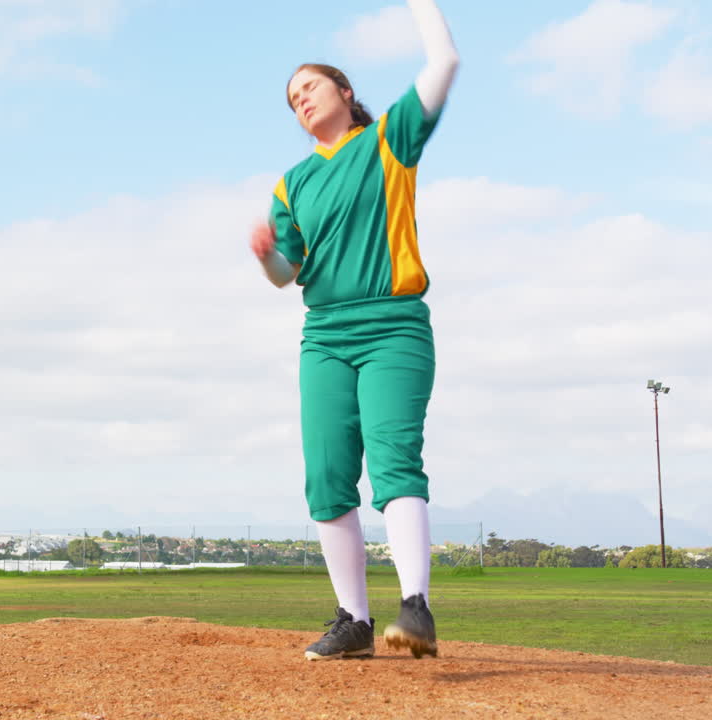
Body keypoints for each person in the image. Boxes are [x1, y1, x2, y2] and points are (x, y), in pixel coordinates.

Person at [249, 0, 457, 660]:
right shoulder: (293, 184)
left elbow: (444, 60)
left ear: (344, 91)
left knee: (395, 463)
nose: (300, 100)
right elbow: (289, 272)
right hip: (325, 336)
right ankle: (354, 621)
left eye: (308, 86)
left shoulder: (390, 140)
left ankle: (415, 609)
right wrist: (266, 257)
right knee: (328, 477)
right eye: (291, 100)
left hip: (393, 326)